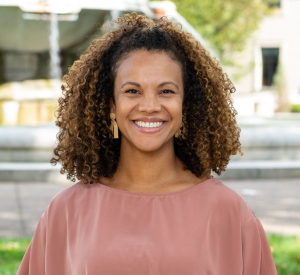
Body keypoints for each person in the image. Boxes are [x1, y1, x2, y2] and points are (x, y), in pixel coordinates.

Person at [17, 12, 277, 275]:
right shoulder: (66, 211)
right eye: (132, 91)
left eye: (166, 91)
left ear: (186, 104)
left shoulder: (228, 211)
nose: (150, 106)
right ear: (110, 104)